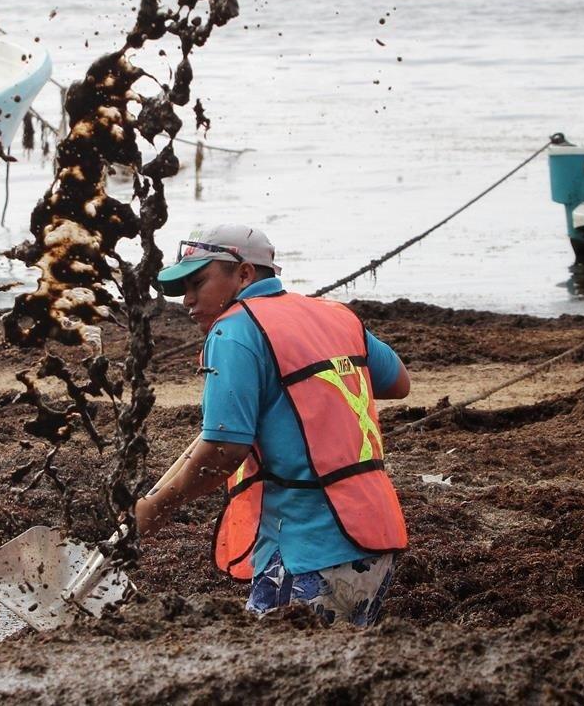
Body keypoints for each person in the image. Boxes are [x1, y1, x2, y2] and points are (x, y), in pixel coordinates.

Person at [136, 224, 411, 627]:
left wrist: (153, 509)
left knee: (280, 671)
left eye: (198, 282)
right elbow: (396, 382)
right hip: (373, 534)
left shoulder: (233, 331)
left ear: (244, 274)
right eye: (183, 290)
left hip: (315, 544)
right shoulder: (334, 315)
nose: (189, 301)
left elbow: (222, 452)